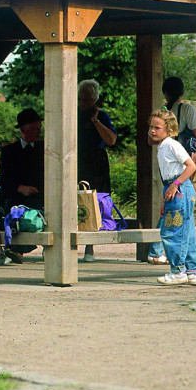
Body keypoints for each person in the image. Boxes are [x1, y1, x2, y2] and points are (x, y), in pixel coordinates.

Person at [147, 76, 196, 265]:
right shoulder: (185, 111)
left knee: (175, 226)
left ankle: (176, 266)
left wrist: (176, 183)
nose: (153, 130)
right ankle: (189, 269)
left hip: (178, 172)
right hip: (179, 170)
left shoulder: (168, 142)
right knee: (183, 225)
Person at [0, 107, 45, 262]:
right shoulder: (9, 151)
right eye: (34, 129)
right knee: (15, 209)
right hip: (16, 195)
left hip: (40, 194)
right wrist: (20, 188)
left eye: (39, 128)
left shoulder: (46, 148)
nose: (38, 132)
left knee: (38, 208)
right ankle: (15, 248)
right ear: (23, 130)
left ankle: (16, 250)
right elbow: (3, 179)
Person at [77, 80, 118, 263]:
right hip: (76, 160)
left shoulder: (102, 116)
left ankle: (90, 247)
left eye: (86, 99)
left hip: (96, 162)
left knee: (95, 201)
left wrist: (95, 122)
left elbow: (111, 140)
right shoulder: (73, 113)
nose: (82, 102)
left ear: (94, 100)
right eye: (79, 98)